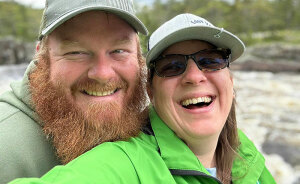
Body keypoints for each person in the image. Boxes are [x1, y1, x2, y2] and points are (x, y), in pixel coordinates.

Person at [9, 14, 276, 184]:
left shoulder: (245, 153)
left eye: (211, 61)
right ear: (150, 90)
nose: (195, 77)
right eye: (172, 66)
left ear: (229, 78)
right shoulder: (127, 161)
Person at [0, 0, 149, 183]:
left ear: (139, 55)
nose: (102, 74)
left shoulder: (162, 123)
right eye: (76, 52)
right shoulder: (5, 151)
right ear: (41, 56)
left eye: (119, 50)